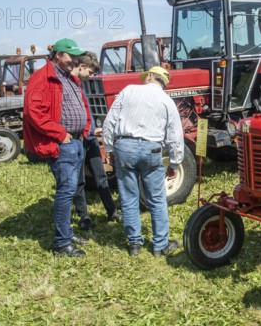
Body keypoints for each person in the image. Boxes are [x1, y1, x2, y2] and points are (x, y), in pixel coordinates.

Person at [102, 66, 184, 257]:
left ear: (149, 77)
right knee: (156, 198)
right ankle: (160, 245)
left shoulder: (128, 91)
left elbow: (109, 122)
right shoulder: (166, 100)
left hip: (125, 148)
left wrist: (109, 149)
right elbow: (175, 135)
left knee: (129, 197)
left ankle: (134, 244)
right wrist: (174, 163)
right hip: (151, 149)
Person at [23, 38, 91, 257]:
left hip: (77, 141)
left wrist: (85, 128)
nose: (75, 60)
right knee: (66, 191)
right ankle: (61, 244)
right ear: (59, 55)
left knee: (71, 190)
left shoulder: (68, 77)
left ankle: (67, 232)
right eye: (71, 56)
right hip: (64, 144)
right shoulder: (42, 78)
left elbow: (80, 104)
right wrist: (61, 134)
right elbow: (34, 113)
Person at [70, 52, 122, 229]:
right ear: (82, 66)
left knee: (100, 176)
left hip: (90, 137)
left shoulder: (82, 86)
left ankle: (112, 211)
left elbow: (86, 112)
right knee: (79, 180)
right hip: (77, 140)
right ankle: (84, 217)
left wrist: (93, 128)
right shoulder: (70, 86)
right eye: (90, 72)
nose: (91, 76)